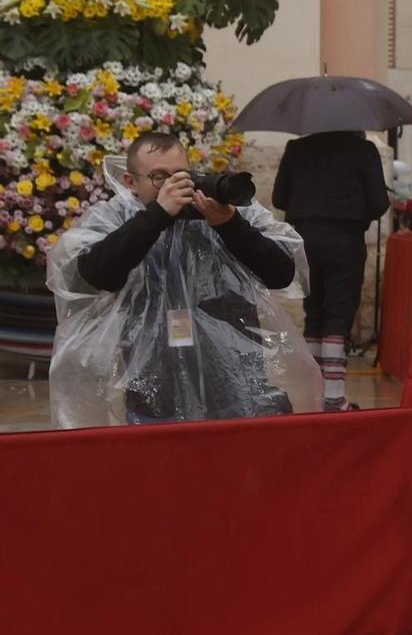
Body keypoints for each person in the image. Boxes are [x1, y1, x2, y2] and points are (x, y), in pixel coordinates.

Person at [47, 132, 321, 427]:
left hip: (236, 374)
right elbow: (93, 274)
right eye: (159, 177)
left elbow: (281, 273)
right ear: (130, 182)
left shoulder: (219, 207)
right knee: (164, 465)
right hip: (152, 376)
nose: (173, 186)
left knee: (239, 462)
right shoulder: (117, 216)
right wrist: (156, 216)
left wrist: (229, 224)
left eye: (180, 175)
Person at [271, 128, 391, 411]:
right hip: (345, 240)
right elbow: (379, 204)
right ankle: (334, 397)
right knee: (338, 316)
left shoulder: (297, 147)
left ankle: (313, 393)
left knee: (314, 314)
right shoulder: (363, 150)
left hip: (306, 239)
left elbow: (279, 198)